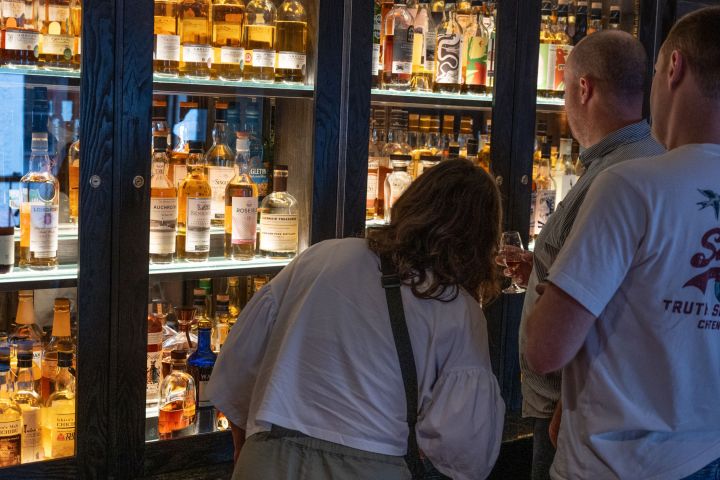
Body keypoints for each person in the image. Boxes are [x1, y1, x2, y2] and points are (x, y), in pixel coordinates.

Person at [207, 159, 505, 480]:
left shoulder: (323, 256)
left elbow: (237, 364)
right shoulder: (458, 308)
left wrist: (247, 449)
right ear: (480, 239)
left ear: (410, 203)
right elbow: (465, 448)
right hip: (372, 464)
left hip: (269, 455)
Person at [525, 6, 720, 479]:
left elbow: (545, 348)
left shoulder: (632, 186)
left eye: (655, 71)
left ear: (673, 68)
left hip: (614, 464)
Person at [507, 30, 665, 480]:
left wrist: (566, 404)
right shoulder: (640, 159)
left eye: (563, 91)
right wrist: (540, 269)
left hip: (570, 412)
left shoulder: (619, 177)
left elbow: (614, 311)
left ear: (583, 88)